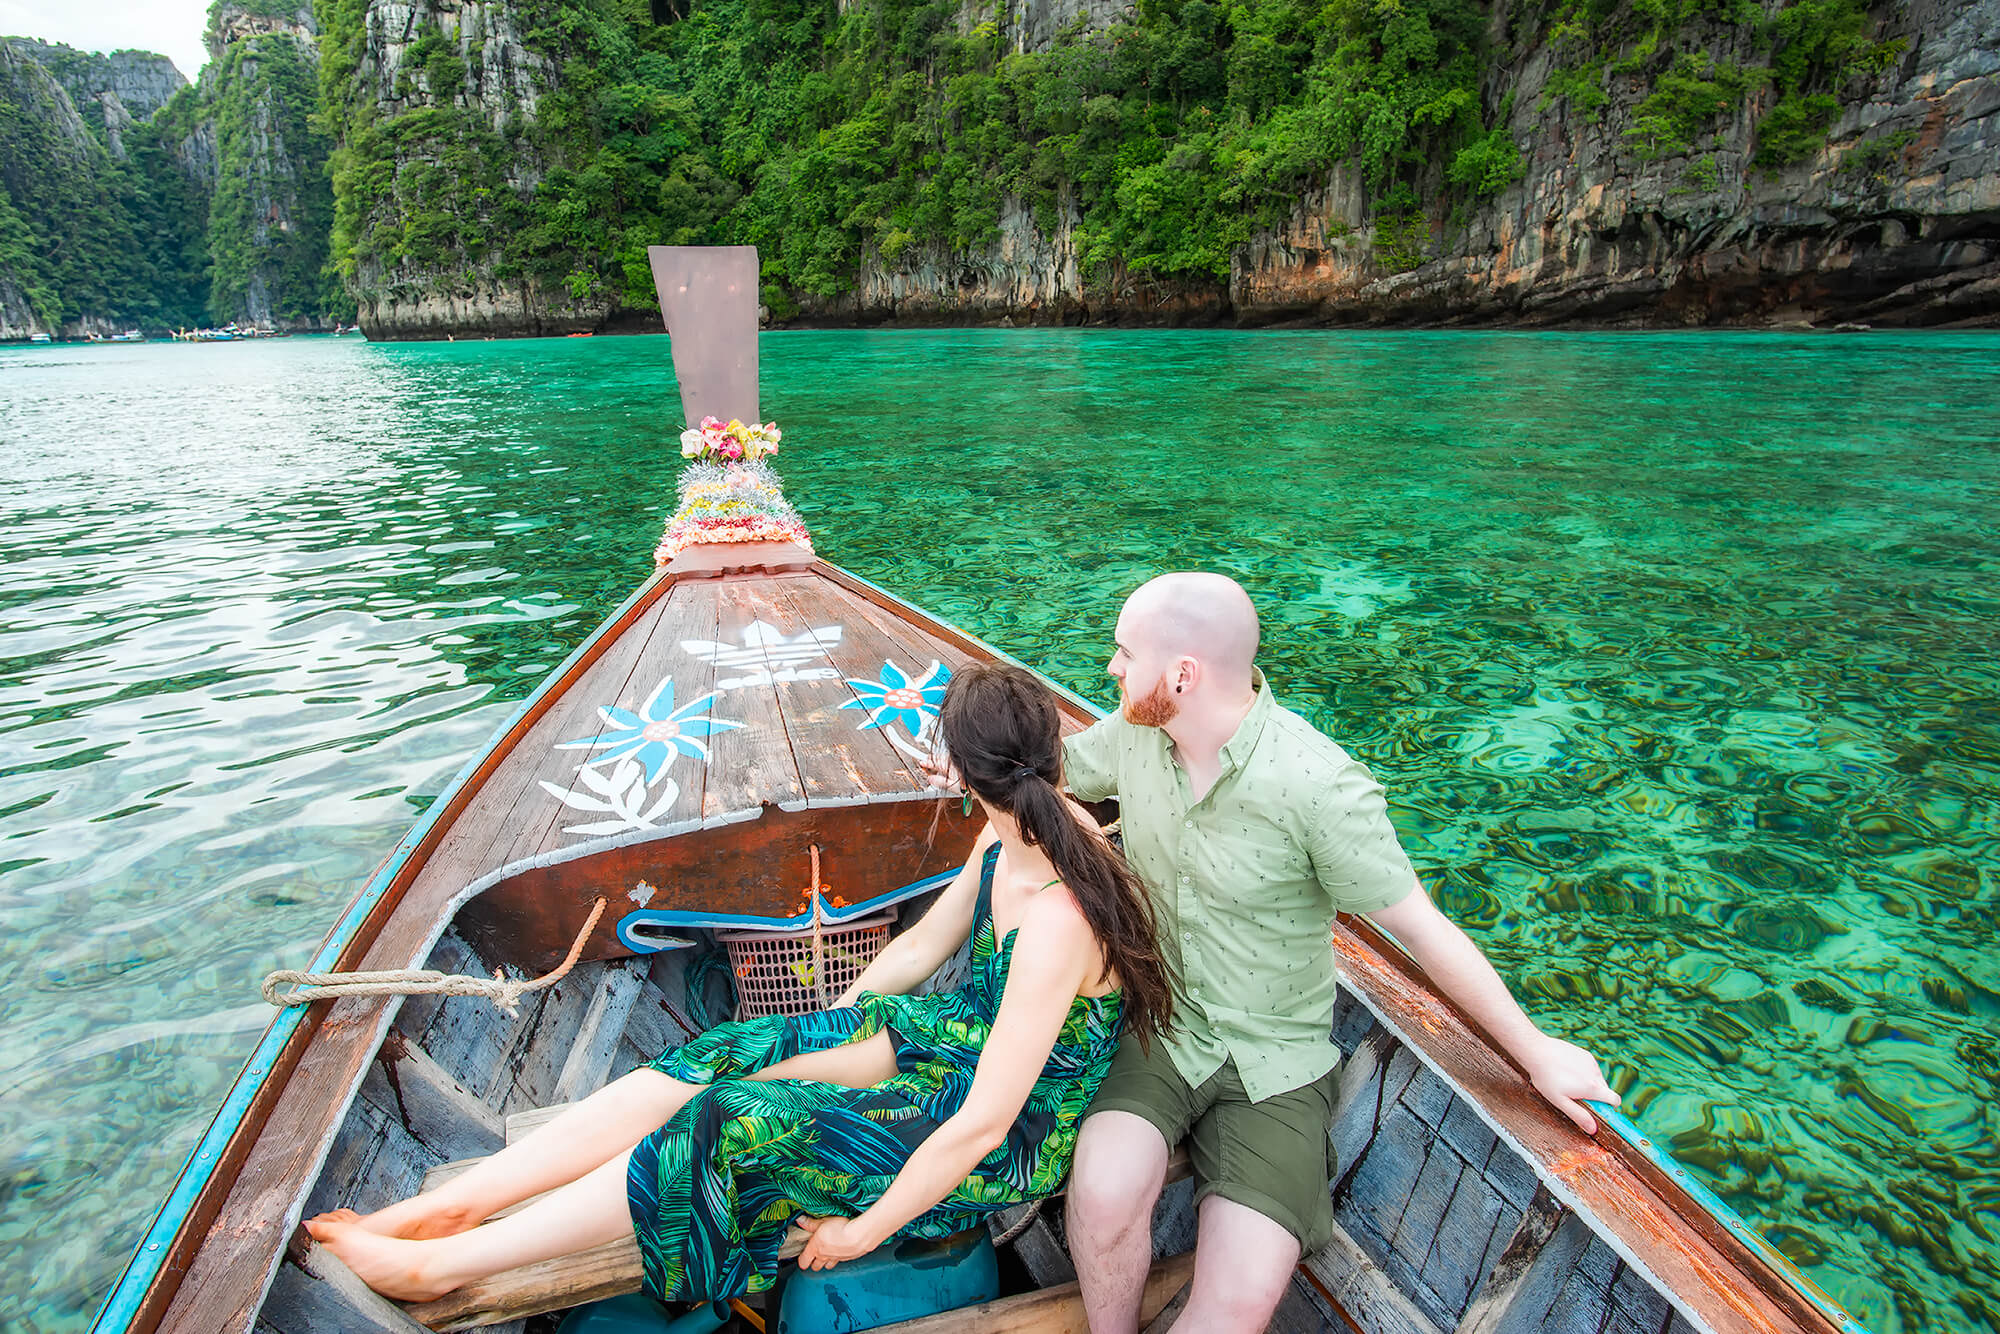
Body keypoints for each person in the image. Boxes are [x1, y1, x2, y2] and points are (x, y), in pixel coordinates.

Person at [306, 662, 1173, 1304]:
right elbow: (917, 954)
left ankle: (441, 1268)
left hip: (1005, 1128)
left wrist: (864, 1230)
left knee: (728, 1126)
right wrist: (818, 1029)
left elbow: (985, 1121)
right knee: (729, 1051)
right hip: (948, 1041)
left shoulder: (1063, 914)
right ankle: (458, 1205)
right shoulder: (1017, 830)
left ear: (958, 771)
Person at [1059, 572, 1620, 1334]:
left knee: (1245, 1293)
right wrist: (956, 762)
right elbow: (1051, 767)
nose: (1113, 669)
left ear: (1182, 675)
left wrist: (1536, 1052)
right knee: (1099, 1192)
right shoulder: (1134, 734)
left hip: (1277, 1063)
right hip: (1165, 1027)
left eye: (1125, 654)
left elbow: (1421, 928)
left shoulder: (1318, 785)